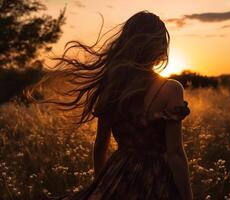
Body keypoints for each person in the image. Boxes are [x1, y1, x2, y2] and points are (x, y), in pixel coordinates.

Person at [43, 10, 193, 200]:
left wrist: (102, 185)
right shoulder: (171, 89)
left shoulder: (113, 86)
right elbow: (175, 153)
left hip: (117, 172)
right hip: (157, 179)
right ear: (159, 46)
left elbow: (100, 146)